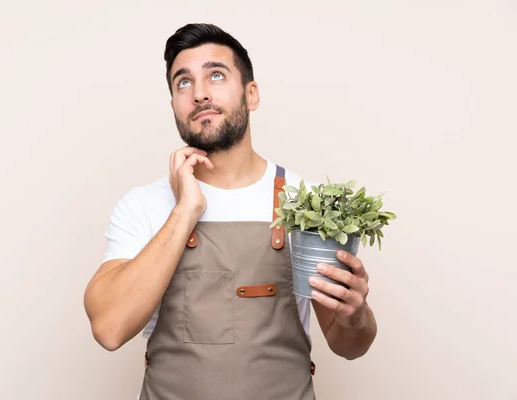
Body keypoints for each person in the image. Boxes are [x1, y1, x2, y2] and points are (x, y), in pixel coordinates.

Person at [83, 23, 377, 399]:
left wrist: (356, 316)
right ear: (174, 103)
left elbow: (348, 344)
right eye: (183, 83)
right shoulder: (143, 205)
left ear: (251, 94)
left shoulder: (307, 204)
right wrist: (185, 210)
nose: (200, 93)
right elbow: (108, 329)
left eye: (216, 75)